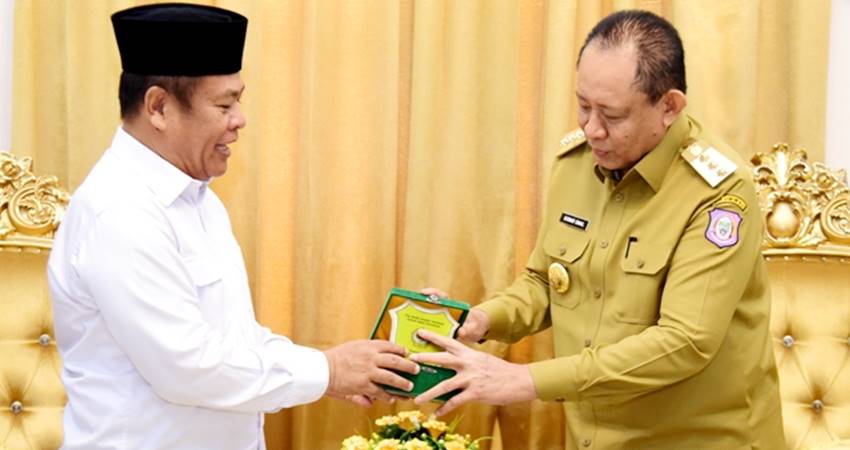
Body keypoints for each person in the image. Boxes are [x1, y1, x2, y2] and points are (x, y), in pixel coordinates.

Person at [47, 4, 417, 449]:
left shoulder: (198, 197)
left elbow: (236, 340)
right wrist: (328, 370)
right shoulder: (119, 211)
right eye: (224, 104)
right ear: (159, 107)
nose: (239, 119)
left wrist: (327, 370)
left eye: (238, 100)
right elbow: (187, 368)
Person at [411, 9, 785, 449]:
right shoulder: (574, 165)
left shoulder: (720, 193)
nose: (591, 130)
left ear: (669, 106)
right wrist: (479, 319)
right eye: (583, 106)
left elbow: (685, 342)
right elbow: (545, 282)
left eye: (611, 115)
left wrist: (525, 380)